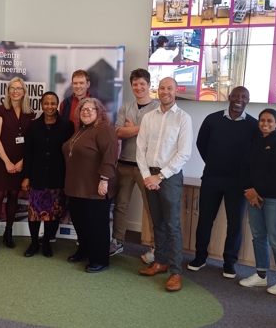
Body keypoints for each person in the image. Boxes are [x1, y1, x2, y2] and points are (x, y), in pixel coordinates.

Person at [189, 86, 260, 278]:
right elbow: (201, 144)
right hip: (212, 178)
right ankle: (200, 257)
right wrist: (213, 162)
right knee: (205, 220)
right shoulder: (212, 120)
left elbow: (255, 155)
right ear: (229, 97)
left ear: (248, 100)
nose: (239, 99)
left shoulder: (254, 125)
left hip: (238, 183)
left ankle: (229, 262)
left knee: (235, 224)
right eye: (235, 95)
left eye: (243, 96)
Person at [135, 77, 192, 292]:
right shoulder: (149, 117)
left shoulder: (183, 119)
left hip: (170, 178)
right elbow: (141, 149)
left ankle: (176, 272)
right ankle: (160, 261)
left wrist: (160, 177)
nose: (165, 92)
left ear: (176, 91)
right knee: (157, 222)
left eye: (169, 88)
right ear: (157, 91)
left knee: (172, 225)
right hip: (149, 176)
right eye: (162, 88)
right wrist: (146, 176)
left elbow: (184, 153)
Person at [237, 108, 276, 295]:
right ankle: (261, 275)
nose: (265, 124)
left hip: (275, 200)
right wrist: (249, 191)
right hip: (254, 197)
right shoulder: (256, 143)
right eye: (262, 120)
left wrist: (257, 191)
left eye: (270, 120)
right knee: (259, 237)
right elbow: (244, 168)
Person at [63, 98, 118, 273]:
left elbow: (110, 156)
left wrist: (104, 180)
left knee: (97, 225)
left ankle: (100, 259)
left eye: (90, 109)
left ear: (98, 111)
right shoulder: (82, 130)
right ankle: (84, 250)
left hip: (95, 187)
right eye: (82, 110)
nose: (86, 112)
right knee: (80, 222)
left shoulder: (104, 129)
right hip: (76, 186)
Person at [111, 68, 160, 263]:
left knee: (151, 207)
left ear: (149, 85)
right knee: (121, 205)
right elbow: (118, 133)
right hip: (124, 163)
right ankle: (117, 241)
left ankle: (155, 248)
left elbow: (155, 135)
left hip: (147, 167)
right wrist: (141, 128)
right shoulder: (126, 107)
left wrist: (131, 128)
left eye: (142, 84)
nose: (138, 87)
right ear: (131, 86)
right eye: (135, 84)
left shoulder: (157, 108)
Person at [0, 76, 36, 257]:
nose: (15, 91)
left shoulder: (30, 113)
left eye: (19, 88)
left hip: (21, 161)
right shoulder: (0, 111)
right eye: (12, 88)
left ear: (24, 92)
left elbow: (31, 141)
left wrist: (22, 162)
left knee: (14, 194)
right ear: (8, 92)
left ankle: (9, 232)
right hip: (1, 160)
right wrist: (7, 162)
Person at [21, 92, 74, 257]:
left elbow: (70, 153)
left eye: (53, 103)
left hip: (57, 176)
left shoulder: (67, 125)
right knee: (34, 213)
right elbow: (28, 152)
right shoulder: (34, 125)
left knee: (53, 213)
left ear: (57, 105)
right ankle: (34, 243)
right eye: (46, 103)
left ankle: (47, 242)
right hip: (36, 175)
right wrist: (26, 176)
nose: (50, 107)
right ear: (41, 105)